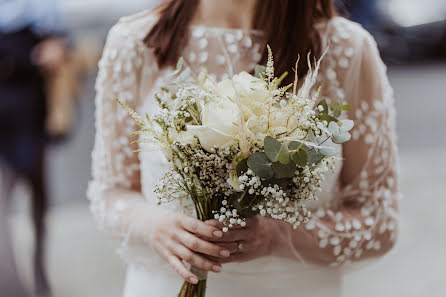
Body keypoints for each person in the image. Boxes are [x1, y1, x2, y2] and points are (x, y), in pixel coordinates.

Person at [88, 0, 401, 296]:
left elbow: (380, 222)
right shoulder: (134, 43)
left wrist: (277, 237)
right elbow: (111, 195)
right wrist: (155, 227)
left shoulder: (347, 48)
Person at [0, 0, 65, 296]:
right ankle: (12, 285)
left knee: (39, 199)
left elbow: (58, 45)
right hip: (7, 112)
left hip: (30, 110)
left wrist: (54, 48)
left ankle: (39, 277)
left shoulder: (42, 8)